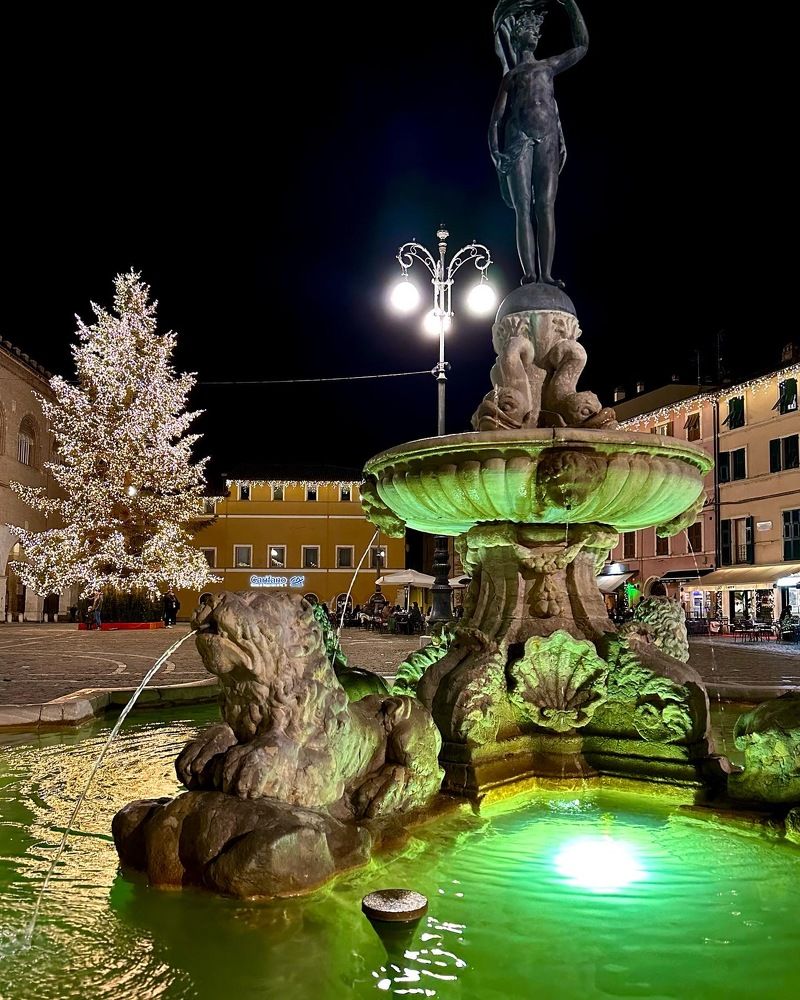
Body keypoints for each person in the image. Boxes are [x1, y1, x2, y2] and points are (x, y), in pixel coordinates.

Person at [489, 0, 588, 285]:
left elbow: (582, 46)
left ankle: (546, 274)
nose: (535, 35)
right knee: (523, 207)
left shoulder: (549, 66)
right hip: (518, 138)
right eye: (530, 30)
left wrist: (570, 5)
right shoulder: (512, 77)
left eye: (536, 31)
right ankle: (530, 274)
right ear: (518, 35)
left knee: (546, 205)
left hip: (547, 137)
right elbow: (496, 119)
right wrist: (496, 151)